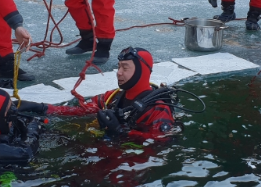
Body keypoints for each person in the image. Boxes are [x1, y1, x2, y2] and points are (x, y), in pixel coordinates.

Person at [16, 47, 175, 139]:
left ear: (142, 72)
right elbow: (81, 110)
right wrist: (41, 108)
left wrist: (122, 132)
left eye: (125, 68)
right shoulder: (112, 97)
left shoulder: (158, 109)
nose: (118, 72)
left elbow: (160, 142)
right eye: (118, 67)